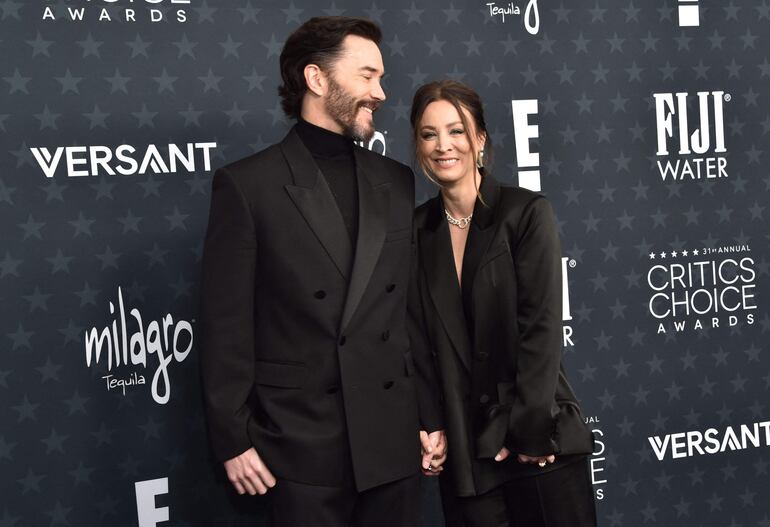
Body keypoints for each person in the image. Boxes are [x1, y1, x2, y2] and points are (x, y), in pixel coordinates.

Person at [200, 17, 445, 527]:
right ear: (317, 79)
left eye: (381, 78)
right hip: (299, 448)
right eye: (367, 75)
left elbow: (409, 314)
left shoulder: (395, 181)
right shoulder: (248, 186)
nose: (380, 92)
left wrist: (429, 417)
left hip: (392, 443)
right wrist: (233, 438)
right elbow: (224, 326)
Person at [408, 80, 597, 527]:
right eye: (428, 134)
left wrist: (529, 434)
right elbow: (416, 339)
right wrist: (433, 424)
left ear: (480, 139)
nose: (443, 146)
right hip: (469, 452)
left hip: (538, 442)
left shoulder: (525, 213)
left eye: (456, 131)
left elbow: (542, 328)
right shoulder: (415, 231)